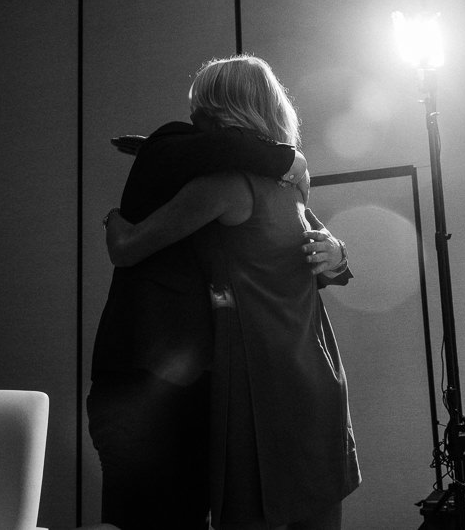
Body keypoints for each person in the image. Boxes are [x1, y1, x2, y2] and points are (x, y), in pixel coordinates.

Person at [105, 55, 359, 530]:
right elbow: (325, 262)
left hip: (260, 383)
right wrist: (340, 254)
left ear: (218, 110)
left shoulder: (224, 186)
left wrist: (113, 219)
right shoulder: (290, 190)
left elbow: (128, 248)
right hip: (318, 373)